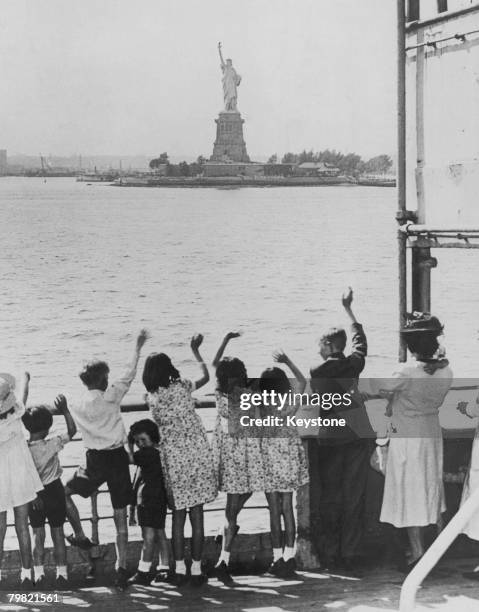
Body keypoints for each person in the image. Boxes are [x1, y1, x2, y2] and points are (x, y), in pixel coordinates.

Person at [64, 329, 149, 591]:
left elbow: (71, 423)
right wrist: (137, 345)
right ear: (102, 379)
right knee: (120, 516)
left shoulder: (76, 404)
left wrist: (63, 407)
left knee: (64, 493)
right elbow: (130, 372)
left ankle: (80, 535)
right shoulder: (111, 396)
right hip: (117, 459)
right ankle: (121, 567)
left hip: (93, 462)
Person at [373, 312, 452, 572]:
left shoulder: (406, 372)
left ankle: (417, 552)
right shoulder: (446, 371)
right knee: (432, 489)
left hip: (408, 437)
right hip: (430, 432)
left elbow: (377, 385)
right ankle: (437, 549)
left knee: (410, 492)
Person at [309, 288, 375, 573]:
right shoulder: (353, 364)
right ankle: (351, 552)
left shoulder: (318, 371)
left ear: (327, 344)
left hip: (333, 439)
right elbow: (361, 344)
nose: (318, 349)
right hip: (358, 436)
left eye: (320, 344)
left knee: (331, 496)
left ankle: (330, 553)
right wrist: (349, 310)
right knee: (355, 496)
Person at [143, 334, 217, 588]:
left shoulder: (151, 399)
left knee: (177, 517)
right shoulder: (183, 386)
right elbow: (206, 377)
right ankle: (196, 570)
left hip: (173, 459)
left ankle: (179, 568)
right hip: (197, 454)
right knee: (197, 515)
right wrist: (195, 351)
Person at [211, 332, 265, 585]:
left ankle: (227, 533)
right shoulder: (246, 394)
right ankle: (224, 559)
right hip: (245, 456)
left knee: (230, 510)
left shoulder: (220, 394)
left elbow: (214, 364)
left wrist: (225, 340)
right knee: (234, 508)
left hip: (227, 456)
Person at [259, 351, 309, 578]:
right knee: (288, 509)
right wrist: (288, 361)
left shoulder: (262, 405)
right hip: (288, 458)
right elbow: (302, 381)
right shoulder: (290, 402)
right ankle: (289, 557)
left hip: (269, 460)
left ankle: (276, 557)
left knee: (274, 511)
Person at [22, 394, 76, 589]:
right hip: (54, 491)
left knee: (38, 534)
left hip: (34, 494)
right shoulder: (52, 443)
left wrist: (34, 495)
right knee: (58, 533)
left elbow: (25, 475)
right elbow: (72, 430)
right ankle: (62, 574)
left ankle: (38, 573)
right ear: (47, 428)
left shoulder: (23, 449)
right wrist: (65, 410)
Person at [0, 372, 43, 589]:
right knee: (22, 526)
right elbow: (24, 395)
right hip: (19, 474)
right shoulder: (17, 414)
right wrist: (26, 379)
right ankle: (27, 573)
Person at [127, 419, 170, 586]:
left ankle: (143, 571)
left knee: (148, 537)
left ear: (153, 438)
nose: (140, 444)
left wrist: (129, 445)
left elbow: (129, 459)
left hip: (147, 500)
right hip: (158, 499)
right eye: (137, 441)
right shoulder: (158, 452)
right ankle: (164, 568)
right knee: (160, 533)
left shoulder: (147, 454)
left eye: (143, 440)